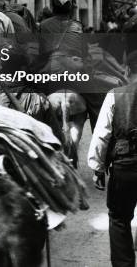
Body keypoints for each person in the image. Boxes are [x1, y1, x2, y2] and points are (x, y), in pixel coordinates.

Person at [88, 68, 137, 267]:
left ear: (127, 70)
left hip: (125, 165)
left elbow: (102, 134)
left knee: (119, 218)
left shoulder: (116, 95)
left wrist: (97, 167)